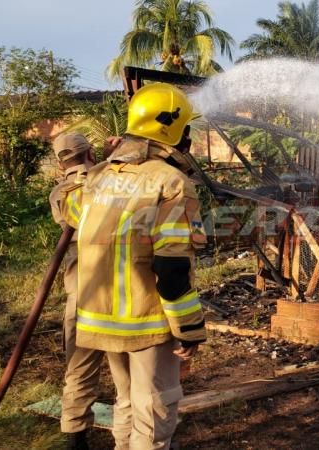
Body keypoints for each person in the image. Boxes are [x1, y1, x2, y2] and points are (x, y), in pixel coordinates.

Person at [62, 83, 207, 450]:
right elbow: (171, 268)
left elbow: (71, 212)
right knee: (155, 413)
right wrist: (190, 330)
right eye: (186, 129)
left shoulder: (97, 178)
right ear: (172, 129)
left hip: (100, 319)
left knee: (127, 400)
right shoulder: (171, 182)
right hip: (146, 322)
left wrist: (87, 166)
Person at [49, 133, 102, 450]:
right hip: (122, 294)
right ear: (90, 152)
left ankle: (74, 437)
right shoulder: (111, 177)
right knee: (131, 375)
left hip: (81, 293)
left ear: (59, 163)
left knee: (79, 370)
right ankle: (136, 438)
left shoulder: (59, 194)